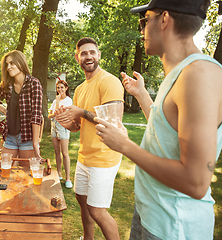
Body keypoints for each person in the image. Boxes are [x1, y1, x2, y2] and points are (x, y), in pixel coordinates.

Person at [95, 0, 222, 239]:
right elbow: (168, 129)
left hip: (173, 226)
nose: (141, 30)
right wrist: (142, 94)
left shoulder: (198, 75)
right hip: (151, 214)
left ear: (164, 20)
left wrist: (124, 145)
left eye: (145, 20)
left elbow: (196, 182)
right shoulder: (181, 72)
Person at [54, 37, 124, 240]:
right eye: (83, 53)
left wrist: (81, 112)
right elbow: (79, 125)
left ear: (99, 55)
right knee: (82, 200)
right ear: (77, 58)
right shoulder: (81, 88)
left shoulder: (109, 81)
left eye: (92, 52)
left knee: (98, 211)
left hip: (104, 157)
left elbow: (113, 123)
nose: (88, 56)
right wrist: (70, 124)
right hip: (85, 156)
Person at [0, 50, 43, 165]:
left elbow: (36, 115)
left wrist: (35, 144)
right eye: (7, 64)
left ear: (21, 63)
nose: (9, 67)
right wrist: (5, 111)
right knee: (1, 171)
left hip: (27, 138)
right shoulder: (7, 85)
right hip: (10, 136)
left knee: (25, 175)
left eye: (12, 63)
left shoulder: (34, 84)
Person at [48, 79, 73, 188]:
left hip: (63, 127)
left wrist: (55, 111)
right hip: (54, 126)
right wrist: (54, 113)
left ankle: (68, 178)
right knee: (57, 152)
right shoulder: (54, 101)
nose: (60, 90)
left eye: (62, 87)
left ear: (66, 88)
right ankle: (59, 174)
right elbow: (50, 115)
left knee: (65, 153)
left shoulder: (68, 100)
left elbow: (57, 113)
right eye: (58, 88)